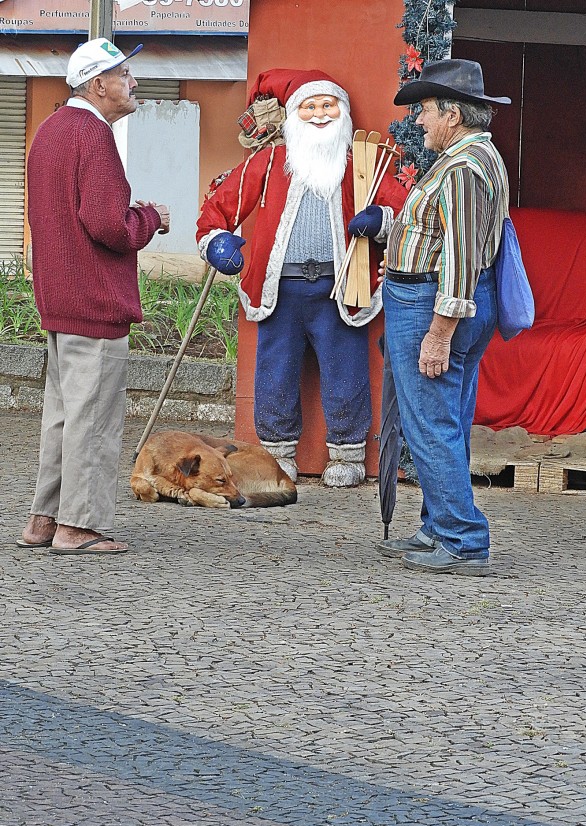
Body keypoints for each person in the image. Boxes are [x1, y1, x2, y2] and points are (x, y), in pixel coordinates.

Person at [196, 68, 407, 487]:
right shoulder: (270, 162)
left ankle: (346, 453)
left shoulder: (362, 166)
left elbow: (405, 214)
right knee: (275, 370)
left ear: (342, 113)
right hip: (280, 290)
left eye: (328, 105)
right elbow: (219, 207)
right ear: (294, 115)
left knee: (347, 370)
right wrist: (218, 242)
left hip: (340, 289)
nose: (319, 115)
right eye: (309, 107)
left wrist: (380, 220)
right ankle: (275, 455)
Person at [18, 38, 170, 555]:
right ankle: (77, 526)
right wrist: (150, 219)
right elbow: (108, 224)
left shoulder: (50, 130)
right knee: (94, 419)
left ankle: (43, 520)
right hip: (94, 300)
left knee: (61, 415)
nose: (133, 84)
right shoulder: (94, 134)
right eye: (124, 75)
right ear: (98, 84)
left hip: (60, 300)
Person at [378, 59, 511, 575]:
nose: (419, 121)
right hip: (445, 301)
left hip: (434, 306)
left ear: (452, 114)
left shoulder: (460, 168)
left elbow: (457, 255)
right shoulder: (477, 156)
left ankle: (461, 538)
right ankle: (439, 528)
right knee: (444, 420)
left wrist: (439, 332)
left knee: (430, 424)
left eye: (426, 111)